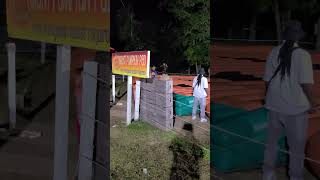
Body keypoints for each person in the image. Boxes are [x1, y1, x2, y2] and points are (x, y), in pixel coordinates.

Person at [262, 20, 319, 180]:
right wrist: (312, 104)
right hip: (295, 109)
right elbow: (306, 84)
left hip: (274, 105)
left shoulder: (274, 52)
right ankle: (295, 177)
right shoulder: (303, 55)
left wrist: (268, 97)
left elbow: (267, 80)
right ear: (298, 37)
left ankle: (268, 175)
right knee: (296, 150)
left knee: (271, 145)